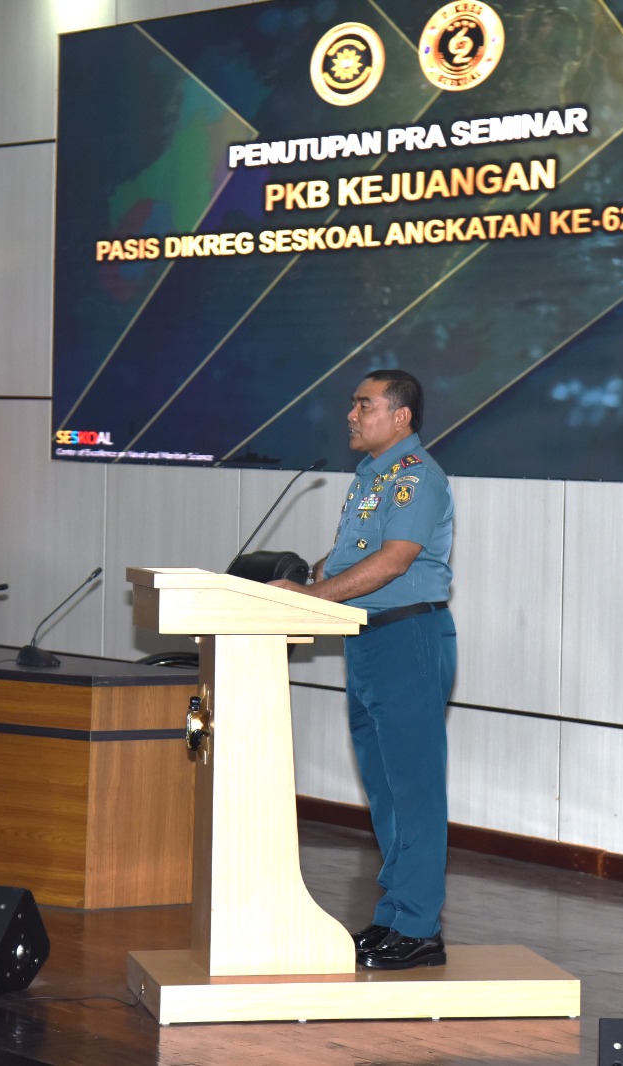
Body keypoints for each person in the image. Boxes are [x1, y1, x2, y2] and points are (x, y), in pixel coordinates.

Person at [270, 369, 456, 970]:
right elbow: (353, 558)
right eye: (353, 404)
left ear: (400, 416)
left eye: (364, 404)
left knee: (414, 791)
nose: (351, 414)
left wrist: (309, 600)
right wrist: (302, 582)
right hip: (368, 639)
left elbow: (393, 564)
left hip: (408, 637)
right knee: (384, 791)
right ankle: (393, 919)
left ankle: (420, 927)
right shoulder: (370, 478)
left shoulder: (417, 479)